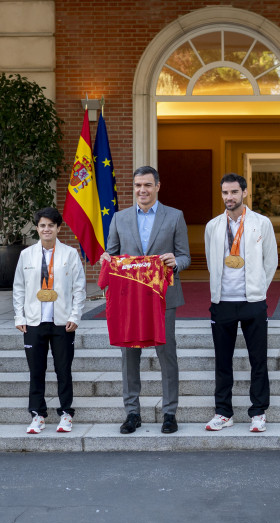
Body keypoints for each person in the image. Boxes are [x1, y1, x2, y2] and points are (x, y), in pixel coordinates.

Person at [99, 165, 190, 434]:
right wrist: (106, 260)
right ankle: (132, 413)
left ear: (157, 186)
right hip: (130, 300)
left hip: (164, 298)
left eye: (148, 185)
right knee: (130, 354)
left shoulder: (175, 217)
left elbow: (185, 256)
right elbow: (111, 255)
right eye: (138, 185)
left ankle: (170, 413)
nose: (142, 190)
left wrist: (176, 262)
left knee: (167, 354)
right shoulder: (119, 218)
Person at [202, 173, 277, 433]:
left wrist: (258, 291)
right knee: (223, 361)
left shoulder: (261, 223)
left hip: (252, 303)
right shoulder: (213, 226)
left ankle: (258, 412)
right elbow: (213, 262)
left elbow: (271, 261)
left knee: (259, 360)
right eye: (225, 192)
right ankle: (223, 412)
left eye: (234, 192)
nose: (229, 197)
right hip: (222, 302)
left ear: (244, 192)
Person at [13, 207, 86, 434]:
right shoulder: (26, 255)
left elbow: (79, 288)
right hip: (34, 322)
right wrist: (19, 316)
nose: (47, 229)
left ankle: (66, 413)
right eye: (42, 225)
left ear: (58, 228)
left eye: (51, 226)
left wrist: (75, 316)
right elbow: (19, 288)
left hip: (62, 321)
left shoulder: (70, 254)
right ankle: (37, 414)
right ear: (37, 228)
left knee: (63, 369)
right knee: (36, 370)